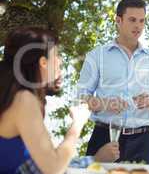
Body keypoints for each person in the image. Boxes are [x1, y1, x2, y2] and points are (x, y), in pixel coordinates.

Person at [77, 0, 149, 164]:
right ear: (118, 21)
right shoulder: (96, 56)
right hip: (104, 139)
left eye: (142, 21)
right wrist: (105, 104)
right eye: (132, 20)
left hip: (142, 142)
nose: (138, 26)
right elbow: (81, 99)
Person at [0, 27, 90, 173]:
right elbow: (53, 168)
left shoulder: (10, 94)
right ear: (43, 62)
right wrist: (78, 123)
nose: (60, 61)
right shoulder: (24, 99)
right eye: (56, 55)